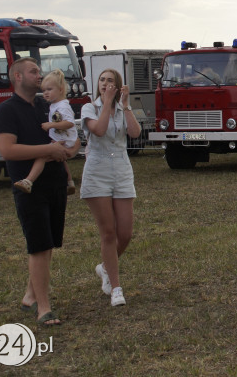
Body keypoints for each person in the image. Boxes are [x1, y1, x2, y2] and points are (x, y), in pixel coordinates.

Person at [0, 58, 79, 327]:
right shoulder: (7, 110)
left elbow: (69, 133)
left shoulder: (48, 105)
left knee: (48, 242)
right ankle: (44, 308)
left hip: (54, 182)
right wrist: (47, 151)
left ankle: (31, 296)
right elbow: (7, 150)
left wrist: (71, 150)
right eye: (33, 71)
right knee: (39, 245)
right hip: (28, 185)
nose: (39, 76)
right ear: (17, 76)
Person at [80, 68, 141, 307]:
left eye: (110, 81)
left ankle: (105, 267)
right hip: (98, 171)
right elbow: (99, 130)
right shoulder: (89, 108)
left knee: (125, 233)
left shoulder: (121, 107)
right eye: (102, 81)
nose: (105, 84)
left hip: (122, 170)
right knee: (108, 232)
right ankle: (116, 287)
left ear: (118, 86)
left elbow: (135, 133)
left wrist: (124, 105)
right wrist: (106, 104)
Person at [13, 70, 78, 195]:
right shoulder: (54, 105)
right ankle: (69, 183)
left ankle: (28, 181)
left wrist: (51, 125)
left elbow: (70, 123)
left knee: (42, 156)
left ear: (60, 89)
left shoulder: (63, 106)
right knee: (60, 160)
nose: (45, 93)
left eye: (49, 89)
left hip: (64, 140)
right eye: (43, 90)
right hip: (60, 139)